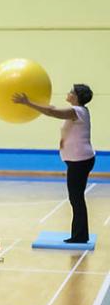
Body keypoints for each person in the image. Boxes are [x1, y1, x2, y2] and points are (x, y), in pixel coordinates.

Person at [13, 85, 95, 243]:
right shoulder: (78, 111)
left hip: (80, 161)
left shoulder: (77, 111)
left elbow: (52, 112)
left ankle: (80, 236)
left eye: (71, 92)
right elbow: (53, 109)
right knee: (76, 198)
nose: (68, 93)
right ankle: (80, 234)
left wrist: (27, 103)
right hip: (79, 160)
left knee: (76, 198)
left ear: (77, 97)